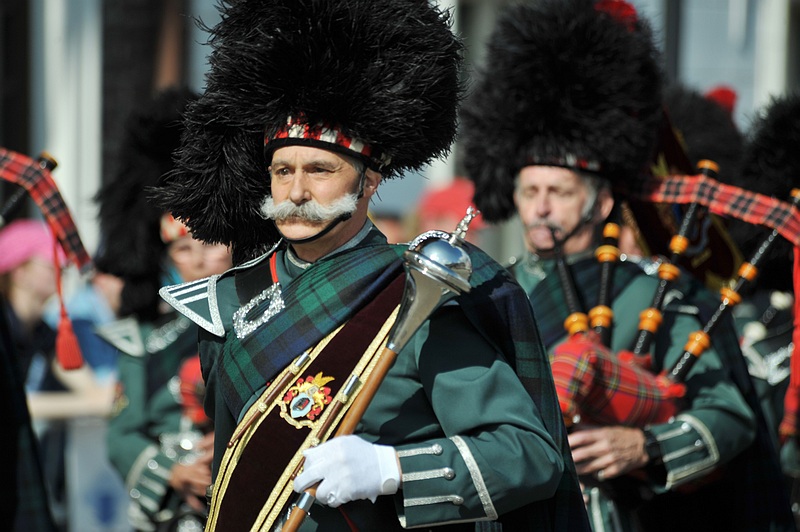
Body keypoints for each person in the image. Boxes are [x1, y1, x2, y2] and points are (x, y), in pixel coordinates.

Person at [155, 0, 589, 530]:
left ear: (370, 181)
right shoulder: (229, 298)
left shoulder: (419, 292)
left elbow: (527, 454)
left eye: (320, 169)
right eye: (281, 169)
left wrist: (393, 468)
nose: (295, 192)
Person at [461, 1, 793, 531]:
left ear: (601, 203)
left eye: (559, 191)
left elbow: (730, 419)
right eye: (530, 191)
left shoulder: (653, 293)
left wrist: (642, 445)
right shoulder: (487, 292)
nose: (541, 207)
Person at [99, 88, 232, 532]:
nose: (196, 259)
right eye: (181, 246)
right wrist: (172, 471)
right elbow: (122, 434)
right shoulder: (143, 336)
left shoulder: (259, 321)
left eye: (210, 244)